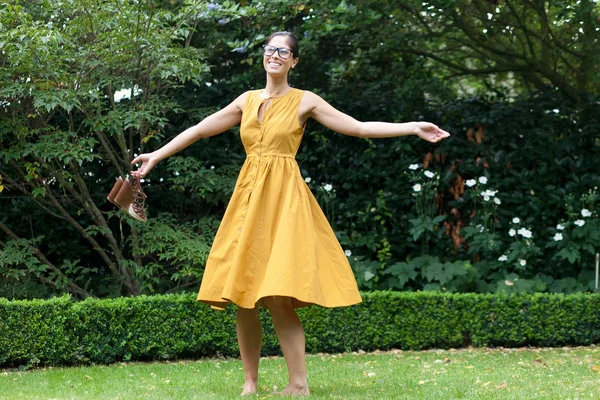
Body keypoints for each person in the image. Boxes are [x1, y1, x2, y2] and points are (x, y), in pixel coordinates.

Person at [131, 31, 450, 396]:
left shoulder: (305, 101)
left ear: (294, 61)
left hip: (284, 202)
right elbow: (200, 130)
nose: (276, 55)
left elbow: (359, 127)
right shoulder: (246, 101)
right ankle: (250, 382)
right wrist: (156, 155)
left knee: (278, 296)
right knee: (242, 293)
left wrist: (411, 127)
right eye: (270, 49)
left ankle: (298, 385)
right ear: (264, 56)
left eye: (284, 51)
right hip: (247, 200)